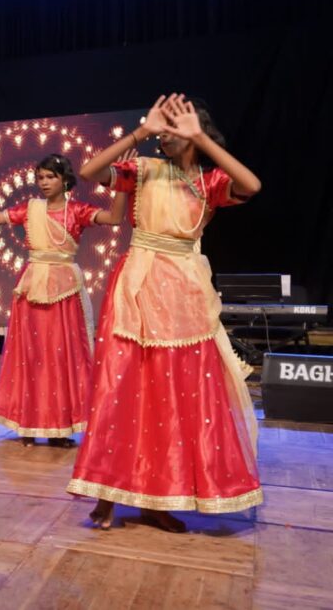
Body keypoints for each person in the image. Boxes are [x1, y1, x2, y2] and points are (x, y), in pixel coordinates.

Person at [67, 94, 263, 531]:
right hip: (137, 289)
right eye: (164, 127)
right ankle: (107, 490)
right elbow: (89, 171)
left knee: (174, 396)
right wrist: (141, 131)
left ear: (194, 131)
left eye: (174, 127)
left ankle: (158, 497)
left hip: (184, 296)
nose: (166, 134)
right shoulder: (144, 170)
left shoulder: (210, 182)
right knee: (122, 388)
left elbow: (251, 185)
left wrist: (201, 140)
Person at [0, 155, 125, 446]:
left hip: (64, 289)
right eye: (40, 178)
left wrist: (122, 183)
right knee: (31, 355)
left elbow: (114, 218)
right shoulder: (30, 209)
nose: (44, 183)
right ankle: (29, 423)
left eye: (50, 177)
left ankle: (60, 426)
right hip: (32, 287)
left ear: (65, 179)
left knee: (61, 357)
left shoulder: (77, 210)